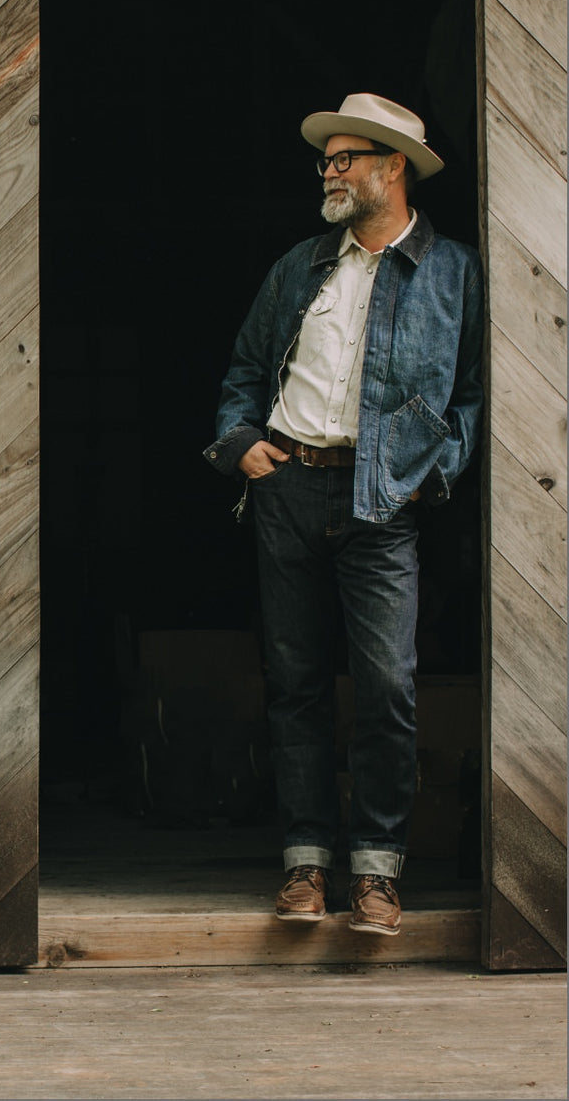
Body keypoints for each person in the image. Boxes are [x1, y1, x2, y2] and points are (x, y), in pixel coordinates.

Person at [203, 93, 483, 936]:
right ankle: (305, 865)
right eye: (326, 159)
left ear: (392, 166)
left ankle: (377, 873)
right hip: (290, 485)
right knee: (294, 685)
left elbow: (471, 399)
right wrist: (238, 440)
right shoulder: (300, 264)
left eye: (345, 157)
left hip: (383, 500)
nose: (328, 170)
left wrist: (429, 478)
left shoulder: (455, 272)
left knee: (389, 686)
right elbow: (245, 370)